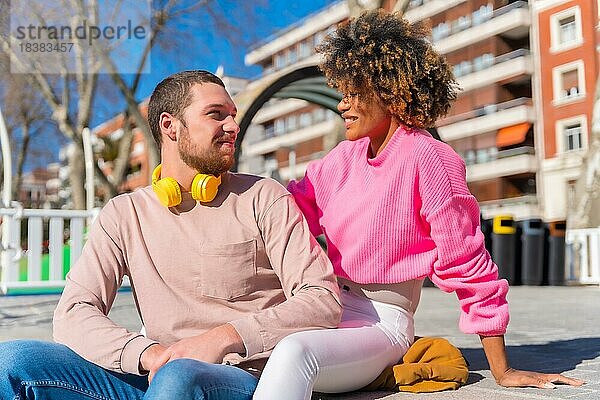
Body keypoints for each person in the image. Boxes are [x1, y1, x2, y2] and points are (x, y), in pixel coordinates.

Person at [252, 10, 585, 399]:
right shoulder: (340, 160)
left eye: (353, 93)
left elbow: (468, 265)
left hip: (379, 325)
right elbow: (284, 212)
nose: (342, 105)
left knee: (293, 353)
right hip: (323, 306)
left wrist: (503, 369)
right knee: (237, 346)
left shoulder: (429, 158)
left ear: (390, 89)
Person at [0, 70, 342, 400]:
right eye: (216, 114)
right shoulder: (124, 213)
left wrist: (225, 338)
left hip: (241, 377)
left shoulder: (264, 196)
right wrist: (147, 354)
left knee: (181, 376)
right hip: (157, 373)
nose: (233, 126)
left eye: (233, 115)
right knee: (11, 362)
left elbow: (321, 298)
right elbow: (74, 312)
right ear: (170, 126)